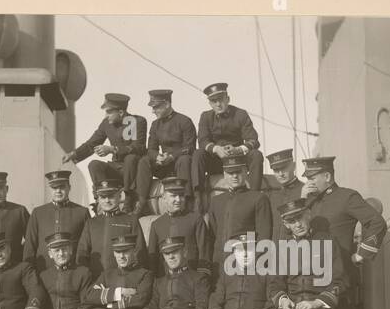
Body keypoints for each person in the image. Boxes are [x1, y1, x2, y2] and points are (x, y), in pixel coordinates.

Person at [301, 155, 386, 309]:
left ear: (327, 176)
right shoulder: (310, 202)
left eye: (313, 176)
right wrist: (303, 198)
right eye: (307, 177)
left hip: (342, 278)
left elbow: (376, 222)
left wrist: (362, 253)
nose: (310, 181)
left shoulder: (347, 196)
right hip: (313, 280)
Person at [62, 93, 147, 212]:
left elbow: (138, 147)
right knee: (94, 164)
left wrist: (113, 149)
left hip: (133, 171)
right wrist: (73, 154)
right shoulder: (106, 124)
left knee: (131, 158)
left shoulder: (136, 121)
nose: (106, 116)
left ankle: (129, 197)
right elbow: (91, 144)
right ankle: (100, 198)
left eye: (109, 112)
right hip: (116, 169)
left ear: (121, 112)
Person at [203, 157, 273, 284]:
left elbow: (264, 235)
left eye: (238, 172)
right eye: (230, 173)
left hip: (246, 264)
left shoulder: (258, 199)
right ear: (224, 174)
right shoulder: (216, 202)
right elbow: (212, 236)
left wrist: (257, 263)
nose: (234, 176)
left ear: (246, 171)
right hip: (220, 265)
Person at [192, 82, 264, 197]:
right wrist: (216, 149)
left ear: (228, 99)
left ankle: (254, 196)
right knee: (198, 154)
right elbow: (202, 140)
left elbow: (253, 140)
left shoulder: (240, 114)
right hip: (216, 162)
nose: (218, 104)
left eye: (221, 100)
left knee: (256, 154)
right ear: (210, 103)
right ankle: (197, 197)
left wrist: (238, 150)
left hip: (238, 161)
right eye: (214, 101)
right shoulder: (205, 117)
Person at [134, 88, 196, 216]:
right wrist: (158, 157)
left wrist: (172, 156)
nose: (153, 111)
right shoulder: (155, 125)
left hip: (180, 165)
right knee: (144, 161)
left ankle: (188, 200)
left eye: (156, 107)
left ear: (167, 104)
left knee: (185, 159)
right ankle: (141, 201)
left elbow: (189, 147)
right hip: (163, 165)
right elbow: (150, 148)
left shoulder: (184, 121)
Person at [76, 178, 147, 275]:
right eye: (103, 197)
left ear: (119, 195)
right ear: (98, 199)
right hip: (97, 281)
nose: (107, 201)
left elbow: (140, 252)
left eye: (111, 196)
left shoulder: (131, 220)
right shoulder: (91, 223)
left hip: (123, 280)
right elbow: (82, 253)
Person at [23, 170, 90, 272]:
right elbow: (30, 247)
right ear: (50, 189)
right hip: (43, 272)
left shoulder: (81, 212)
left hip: (73, 272)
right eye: (54, 188)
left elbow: (87, 246)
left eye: (62, 187)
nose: (58, 191)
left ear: (69, 188)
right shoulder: (38, 213)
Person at [145, 177, 211, 274]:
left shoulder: (196, 219)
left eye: (181, 195)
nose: (178, 200)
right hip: (166, 282)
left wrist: (202, 277)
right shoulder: (157, 225)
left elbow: (204, 252)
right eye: (173, 196)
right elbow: (152, 260)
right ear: (164, 198)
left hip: (192, 279)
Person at [264, 148, 305, 240]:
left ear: (294, 166)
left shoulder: (305, 191)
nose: (280, 174)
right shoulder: (271, 195)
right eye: (276, 170)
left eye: (284, 168)